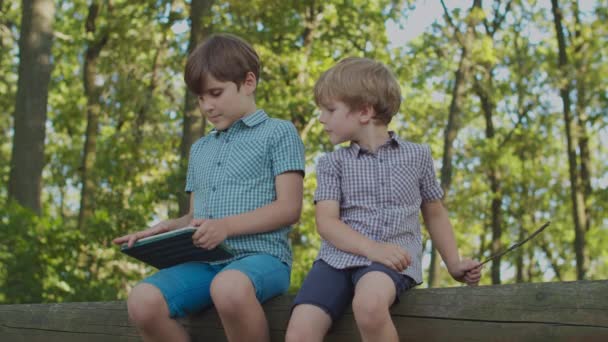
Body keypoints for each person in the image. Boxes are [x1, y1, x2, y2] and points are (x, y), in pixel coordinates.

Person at [113, 33, 305, 342]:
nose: (207, 106)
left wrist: (226, 227)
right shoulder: (200, 149)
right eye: (201, 97)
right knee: (142, 301)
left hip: (263, 258)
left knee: (228, 287)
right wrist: (161, 231)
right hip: (204, 265)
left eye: (215, 93)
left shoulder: (279, 133)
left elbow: (289, 208)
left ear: (248, 82)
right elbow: (194, 218)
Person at [285, 57, 481, 342]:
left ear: (364, 112)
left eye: (329, 110)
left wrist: (453, 262)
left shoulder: (417, 155)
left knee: (369, 305)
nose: (321, 118)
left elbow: (434, 212)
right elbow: (326, 223)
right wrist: (370, 248)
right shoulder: (331, 163)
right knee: (300, 330)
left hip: (391, 261)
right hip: (335, 261)